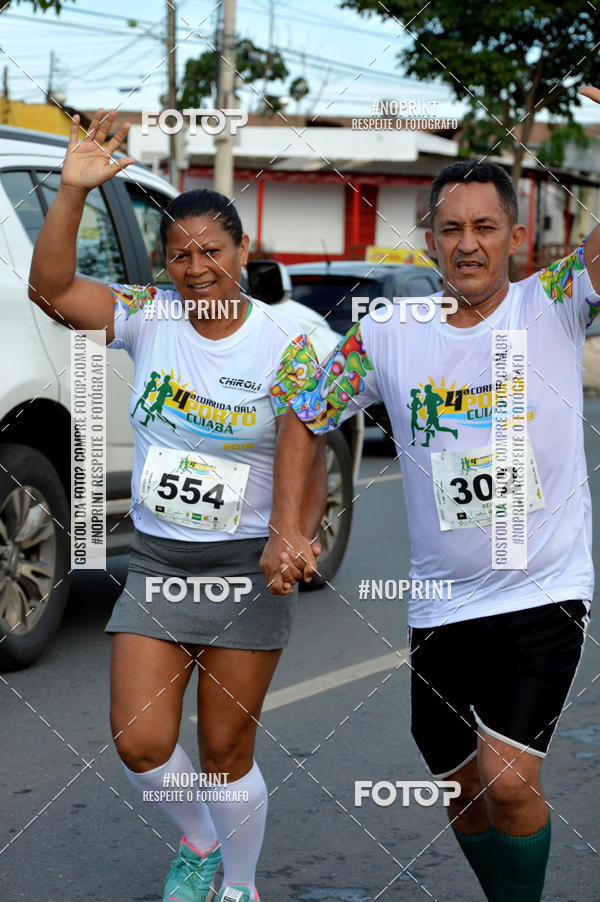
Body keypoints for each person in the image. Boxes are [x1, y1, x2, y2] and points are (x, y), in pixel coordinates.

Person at [260, 143, 600, 899]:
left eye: (485, 226)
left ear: (516, 237)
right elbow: (306, 413)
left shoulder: (556, 301)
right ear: (430, 239)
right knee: (461, 788)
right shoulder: (389, 331)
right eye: (450, 229)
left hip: (542, 590)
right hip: (442, 601)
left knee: (507, 780)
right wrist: (288, 527)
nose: (468, 243)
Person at [28, 109, 326, 902]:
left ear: (243, 253)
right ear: (164, 265)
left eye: (212, 251)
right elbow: (51, 289)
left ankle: (237, 883)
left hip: (244, 562)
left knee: (226, 748)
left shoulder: (287, 342)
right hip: (162, 562)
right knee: (141, 741)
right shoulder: (149, 314)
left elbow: (309, 437)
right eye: (180, 255)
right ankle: (197, 837)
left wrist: (291, 532)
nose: (196, 268)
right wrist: (70, 192)